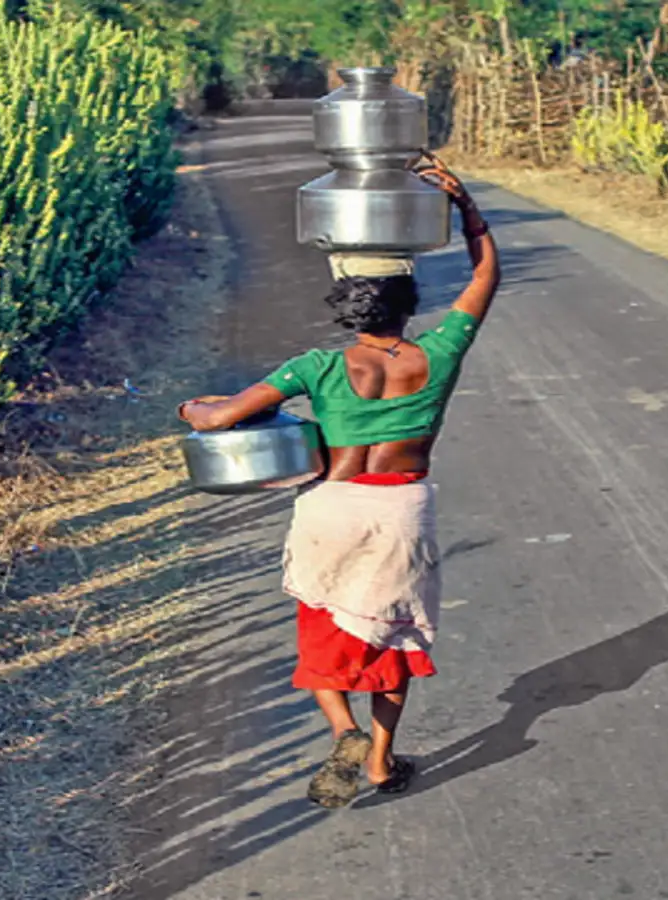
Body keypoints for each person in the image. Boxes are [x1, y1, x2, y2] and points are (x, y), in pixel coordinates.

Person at [177, 157, 500, 808]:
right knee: (391, 638)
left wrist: (192, 408)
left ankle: (343, 729)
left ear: (348, 314)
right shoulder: (437, 355)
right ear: (411, 308)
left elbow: (219, 417)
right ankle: (380, 761)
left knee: (323, 629)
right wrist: (465, 206)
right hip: (400, 511)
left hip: (329, 509)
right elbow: (486, 275)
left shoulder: (317, 366)